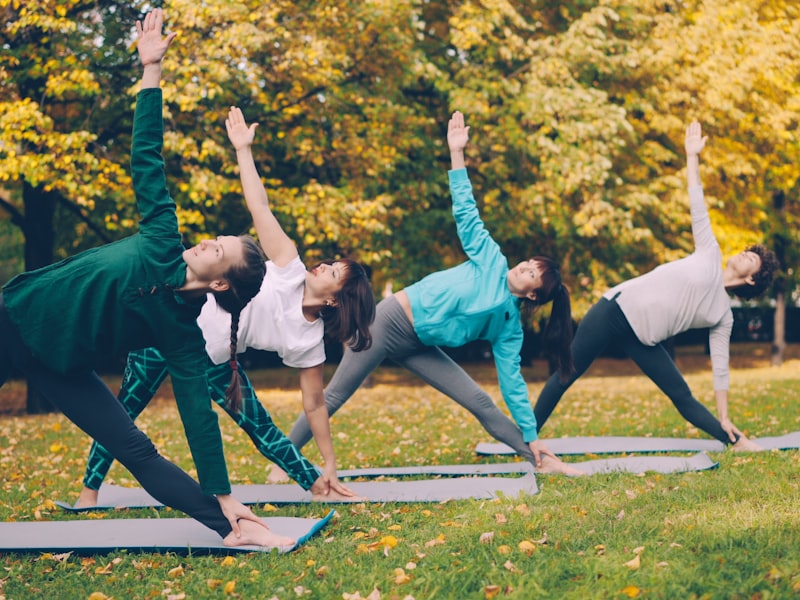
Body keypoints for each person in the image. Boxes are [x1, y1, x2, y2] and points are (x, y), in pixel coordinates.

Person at [0, 10, 293, 548]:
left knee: (135, 449)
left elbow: (197, 418)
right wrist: (151, 71)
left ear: (222, 284)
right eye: (216, 238)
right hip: (13, 320)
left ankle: (232, 528)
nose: (207, 241)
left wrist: (224, 493)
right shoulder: (163, 232)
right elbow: (146, 156)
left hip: (58, 365)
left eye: (219, 249)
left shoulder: (181, 334)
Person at [74, 106, 376, 508]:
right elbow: (260, 208)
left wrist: (330, 464)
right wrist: (243, 151)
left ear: (336, 298)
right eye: (331, 261)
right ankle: (88, 492)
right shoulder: (289, 265)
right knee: (124, 409)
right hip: (166, 326)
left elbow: (315, 404)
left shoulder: (308, 341)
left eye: (334, 271)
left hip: (217, 358)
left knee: (261, 428)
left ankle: (318, 485)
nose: (324, 264)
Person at [274, 110, 581, 478]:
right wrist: (456, 153)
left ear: (533, 295)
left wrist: (530, 433)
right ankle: (284, 460)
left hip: (418, 344)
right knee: (335, 395)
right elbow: (467, 213)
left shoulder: (509, 328)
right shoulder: (491, 260)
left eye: (532, 272)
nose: (523, 266)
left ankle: (541, 460)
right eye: (528, 262)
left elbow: (511, 381)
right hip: (388, 322)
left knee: (480, 401)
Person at [532, 120, 779, 450]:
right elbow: (696, 201)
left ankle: (734, 438)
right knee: (566, 374)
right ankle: (526, 437)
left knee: (682, 396)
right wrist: (691, 156)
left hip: (643, 339)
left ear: (751, 279)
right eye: (748, 251)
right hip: (614, 311)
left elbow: (721, 368)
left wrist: (724, 412)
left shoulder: (723, 315)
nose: (743, 254)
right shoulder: (710, 252)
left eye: (751, 259)